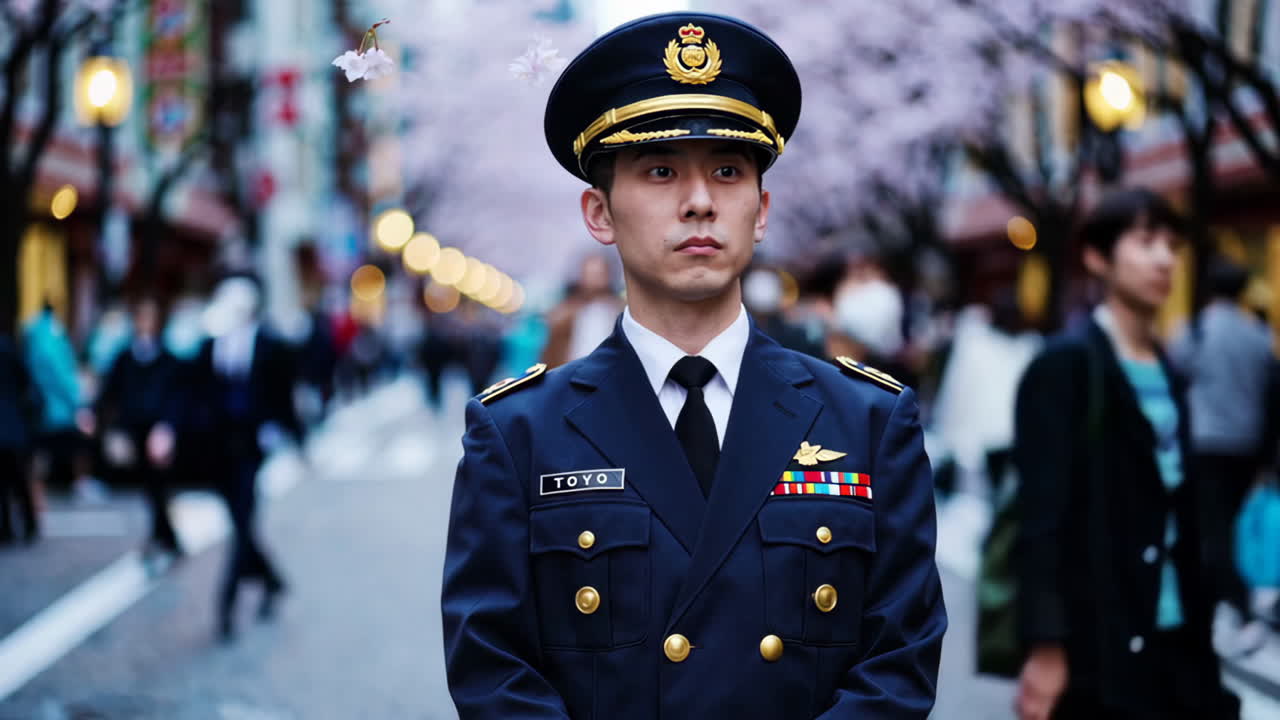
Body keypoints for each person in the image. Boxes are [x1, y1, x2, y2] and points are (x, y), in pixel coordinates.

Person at [441, 13, 946, 719]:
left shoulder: (868, 421)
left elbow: (899, 662)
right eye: (660, 171)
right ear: (600, 213)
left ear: (762, 209)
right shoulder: (519, 435)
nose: (701, 201)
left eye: (729, 172)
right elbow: (493, 671)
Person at [1012, 188, 1239, 720]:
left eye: (1171, 245)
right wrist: (1046, 648)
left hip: (1181, 645)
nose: (1164, 258)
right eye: (1144, 241)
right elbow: (1042, 518)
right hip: (1099, 650)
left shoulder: (1171, 371)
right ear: (1097, 257)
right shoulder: (1064, 367)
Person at [1170, 257, 1278, 654]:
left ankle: (1234, 607)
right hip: (1246, 447)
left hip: (1206, 443)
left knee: (1211, 531)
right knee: (1228, 525)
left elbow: (1174, 379)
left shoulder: (1194, 332)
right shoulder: (1258, 335)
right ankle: (1219, 604)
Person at [194, 275, 299, 641]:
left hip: (252, 447)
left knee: (241, 524)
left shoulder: (270, 346)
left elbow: (283, 394)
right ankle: (272, 580)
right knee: (240, 520)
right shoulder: (210, 346)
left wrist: (290, 434)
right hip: (218, 447)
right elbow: (198, 392)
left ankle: (226, 604)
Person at [94, 296, 184, 565]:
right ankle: (165, 539)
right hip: (135, 428)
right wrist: (98, 417)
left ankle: (163, 539)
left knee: (159, 486)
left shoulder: (166, 358)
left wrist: (168, 427)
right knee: (149, 487)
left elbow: (176, 396)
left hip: (159, 432)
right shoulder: (126, 357)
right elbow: (110, 391)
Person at [0, 334, 38, 544]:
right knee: (18, 479)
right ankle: (29, 525)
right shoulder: (8, 347)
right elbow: (26, 381)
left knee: (7, 482)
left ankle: (6, 528)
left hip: (10, 423)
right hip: (13, 424)